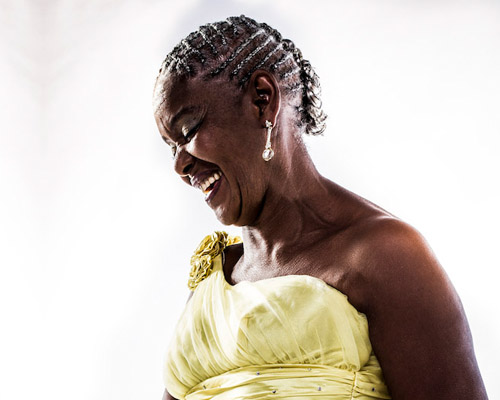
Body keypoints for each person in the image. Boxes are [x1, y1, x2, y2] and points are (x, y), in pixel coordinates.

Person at [152, 15, 488, 400]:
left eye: (188, 131)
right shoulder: (214, 278)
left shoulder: (387, 255)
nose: (180, 165)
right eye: (171, 147)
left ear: (262, 100)